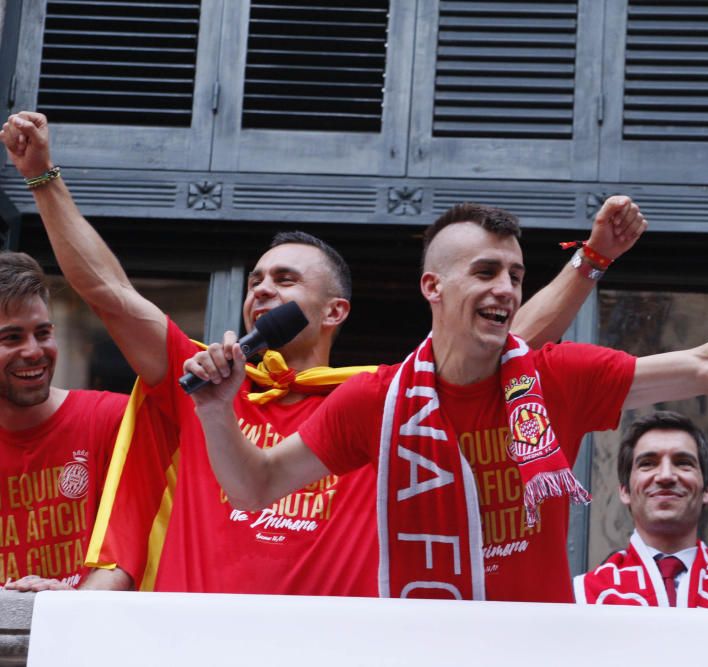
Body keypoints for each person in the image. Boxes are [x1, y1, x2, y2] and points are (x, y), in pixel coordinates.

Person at [0, 110, 648, 594]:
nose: (262, 290)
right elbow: (107, 292)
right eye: (255, 280)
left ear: (336, 311)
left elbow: (508, 339)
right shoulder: (202, 379)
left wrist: (589, 263)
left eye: (285, 280)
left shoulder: (390, 396)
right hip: (194, 646)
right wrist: (43, 178)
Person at [184, 202, 708, 603]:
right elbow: (252, 485)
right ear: (433, 287)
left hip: (534, 644)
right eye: (485, 272)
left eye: (515, 275)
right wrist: (219, 408)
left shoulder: (553, 377)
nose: (504, 289)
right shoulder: (374, 400)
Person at [0, 252, 127, 591]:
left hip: (87, 634)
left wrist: (72, 606)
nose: (33, 351)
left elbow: (137, 549)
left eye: (42, 333)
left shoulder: (111, 419)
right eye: (11, 338)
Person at [573, 411, 708, 608]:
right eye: (647, 464)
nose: (665, 476)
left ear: (707, 489)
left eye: (683, 463)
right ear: (625, 491)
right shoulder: (583, 594)